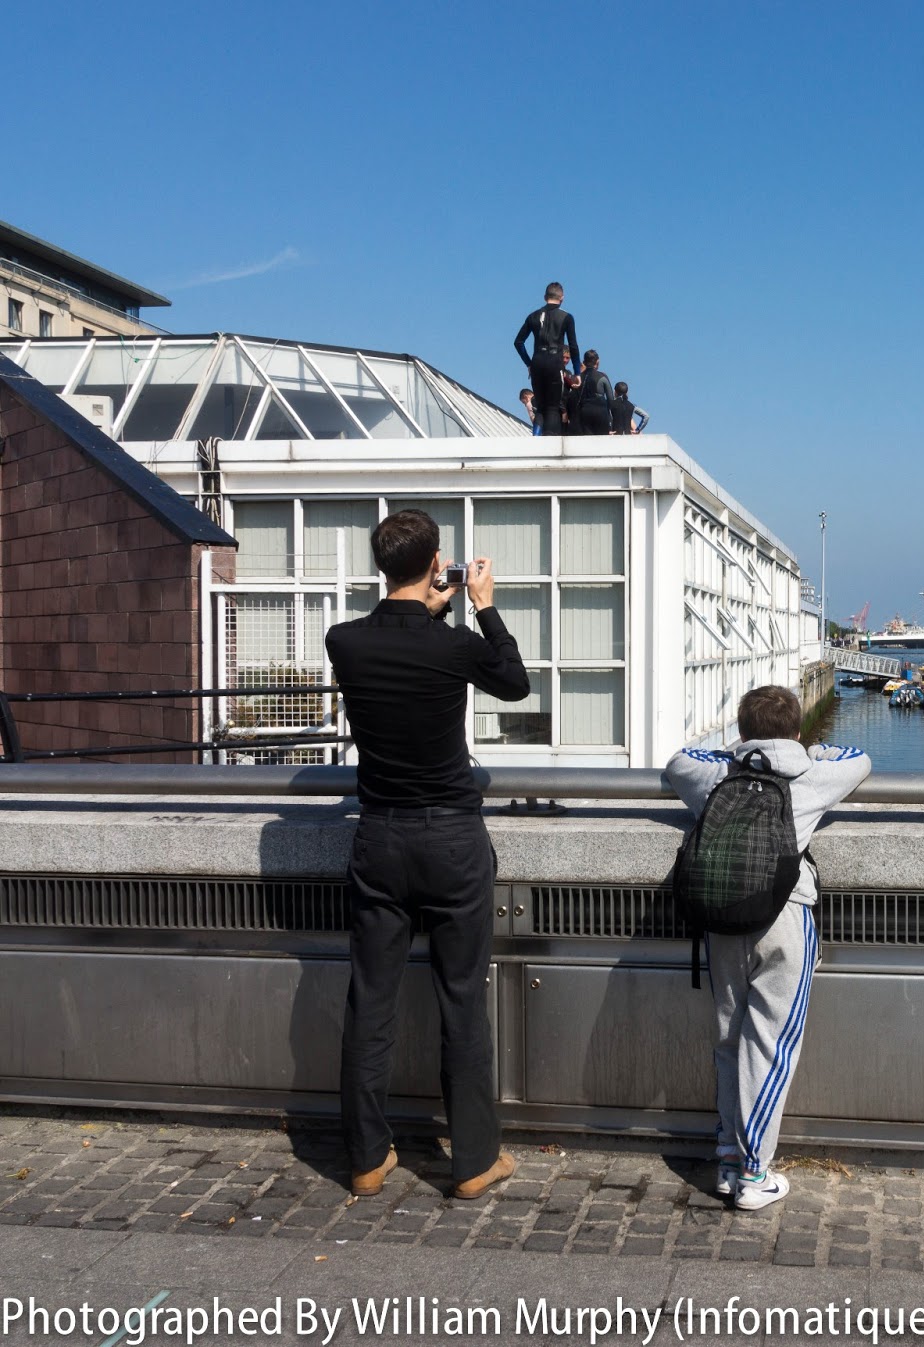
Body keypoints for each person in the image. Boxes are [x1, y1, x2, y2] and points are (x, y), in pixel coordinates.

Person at [325, 509, 530, 1202]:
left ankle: (366, 1158)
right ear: (438, 562)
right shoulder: (457, 646)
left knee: (370, 1000)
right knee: (462, 999)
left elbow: (395, 639)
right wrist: (483, 606)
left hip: (380, 837)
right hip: (450, 839)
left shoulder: (344, 641)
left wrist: (428, 608)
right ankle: (472, 1161)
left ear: (382, 565)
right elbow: (514, 681)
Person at [664, 686, 870, 1210]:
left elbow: (679, 760)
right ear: (797, 731)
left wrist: (735, 754)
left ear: (741, 731)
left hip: (721, 919)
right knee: (771, 1045)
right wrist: (812, 751)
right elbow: (858, 758)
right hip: (785, 918)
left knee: (730, 1039)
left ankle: (729, 1161)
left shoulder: (718, 775)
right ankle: (755, 1175)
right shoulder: (812, 776)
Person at [513, 282, 579, 436]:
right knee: (553, 407)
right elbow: (573, 346)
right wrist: (577, 372)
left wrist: (529, 363)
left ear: (545, 297)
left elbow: (518, 342)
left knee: (541, 406)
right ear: (562, 298)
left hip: (537, 361)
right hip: (555, 362)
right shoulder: (567, 317)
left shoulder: (533, 316)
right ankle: (551, 440)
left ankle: (536, 438)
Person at [576, 349, 614, 436]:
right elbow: (610, 398)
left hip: (584, 412)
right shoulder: (602, 376)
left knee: (588, 440)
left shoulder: (579, 377)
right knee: (601, 440)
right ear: (597, 362)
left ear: (584, 362)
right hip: (600, 411)